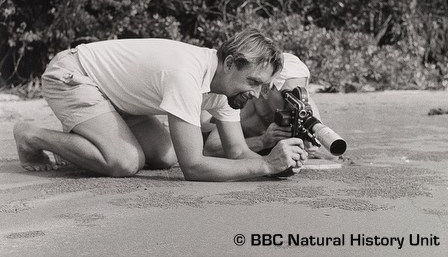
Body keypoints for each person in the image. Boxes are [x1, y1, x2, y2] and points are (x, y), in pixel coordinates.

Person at [13, 29, 309, 181]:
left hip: (119, 98)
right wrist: (265, 165)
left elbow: (236, 152)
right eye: (254, 82)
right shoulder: (185, 75)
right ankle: (31, 135)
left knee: (166, 156)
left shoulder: (229, 87)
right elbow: (193, 167)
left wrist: (277, 167)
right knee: (124, 162)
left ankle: (93, 136)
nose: (257, 95)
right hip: (73, 75)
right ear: (230, 63)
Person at [202, 53, 330, 161]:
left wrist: (309, 146)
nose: (294, 104)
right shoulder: (242, 102)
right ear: (266, 88)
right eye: (289, 95)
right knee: (203, 120)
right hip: (207, 122)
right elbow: (210, 149)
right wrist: (262, 141)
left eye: (300, 93)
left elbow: (323, 142)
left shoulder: (305, 108)